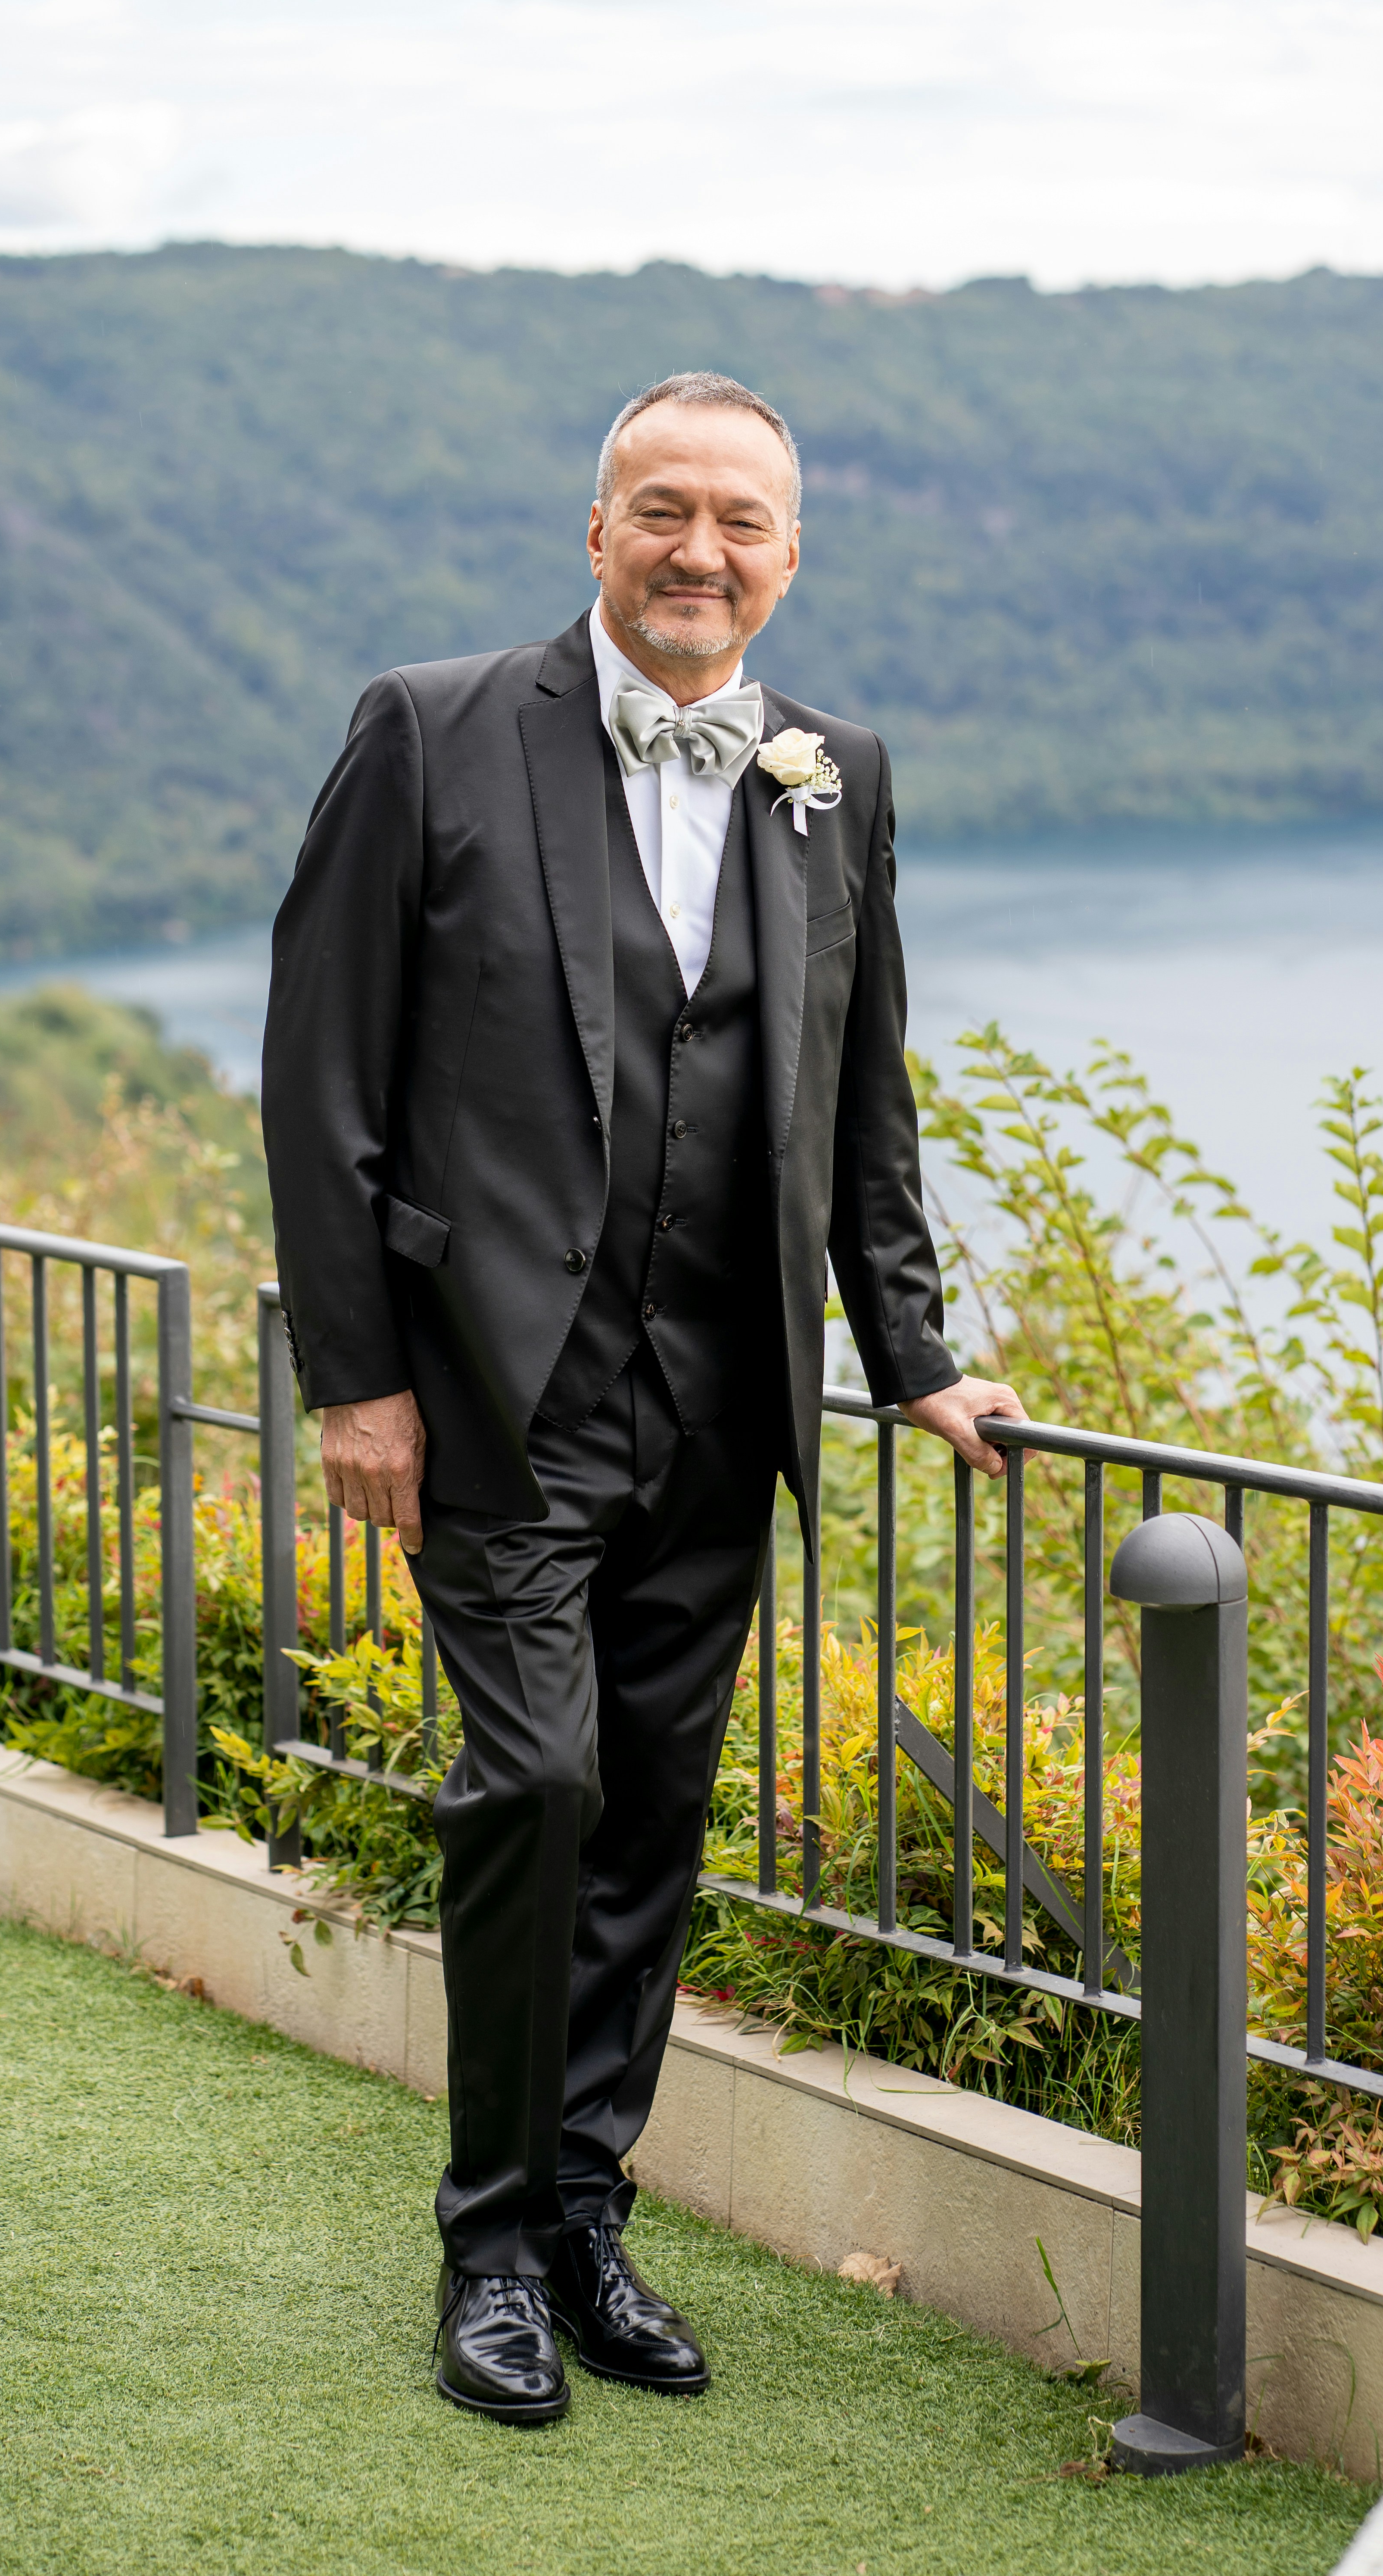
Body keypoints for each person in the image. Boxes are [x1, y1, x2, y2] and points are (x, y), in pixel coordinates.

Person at [261, 370, 1026, 2426]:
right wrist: (360, 1385)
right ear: (592, 532)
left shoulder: (829, 772)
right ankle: (490, 2247)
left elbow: (862, 1101)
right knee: (537, 1788)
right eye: (662, 512)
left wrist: (917, 1355)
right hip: (495, 1396)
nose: (702, 552)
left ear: (790, 556)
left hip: (724, 1398)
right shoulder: (425, 730)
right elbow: (321, 1082)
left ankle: (590, 2213)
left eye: (742, 524)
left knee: (655, 1823)